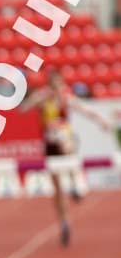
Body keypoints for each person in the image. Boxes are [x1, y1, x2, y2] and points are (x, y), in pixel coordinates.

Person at [22, 68, 111, 246]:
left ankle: (74, 184)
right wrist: (36, 99)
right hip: (50, 146)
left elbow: (85, 110)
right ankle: (64, 223)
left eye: (59, 84)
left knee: (68, 146)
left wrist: (101, 120)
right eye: (54, 85)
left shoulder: (65, 99)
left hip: (66, 143)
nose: (57, 88)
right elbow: (23, 109)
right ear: (49, 86)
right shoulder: (43, 99)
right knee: (57, 189)